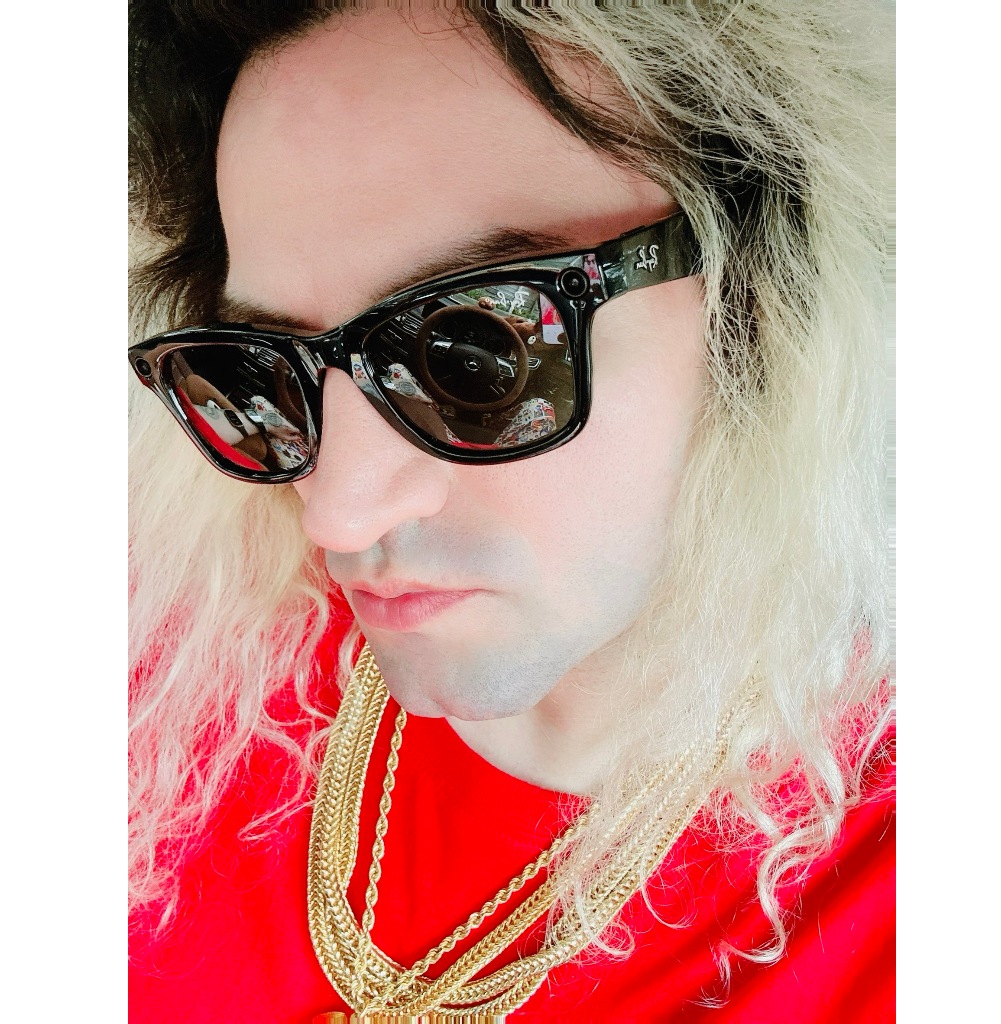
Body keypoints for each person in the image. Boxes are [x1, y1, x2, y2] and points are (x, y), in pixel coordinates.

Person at [128, 3, 895, 1021]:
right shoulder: (156, 670)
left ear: (763, 306)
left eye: (477, 354)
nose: (337, 516)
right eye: (261, 374)